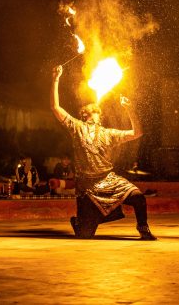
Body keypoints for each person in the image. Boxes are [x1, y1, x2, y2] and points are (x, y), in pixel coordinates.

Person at [50, 65, 156, 240]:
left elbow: (137, 133)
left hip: (108, 180)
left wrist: (129, 109)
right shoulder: (77, 127)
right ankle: (82, 221)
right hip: (88, 188)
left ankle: (143, 228)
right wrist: (55, 79)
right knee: (85, 235)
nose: (97, 110)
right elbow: (55, 107)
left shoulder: (108, 134)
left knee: (138, 197)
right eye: (92, 110)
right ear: (84, 115)